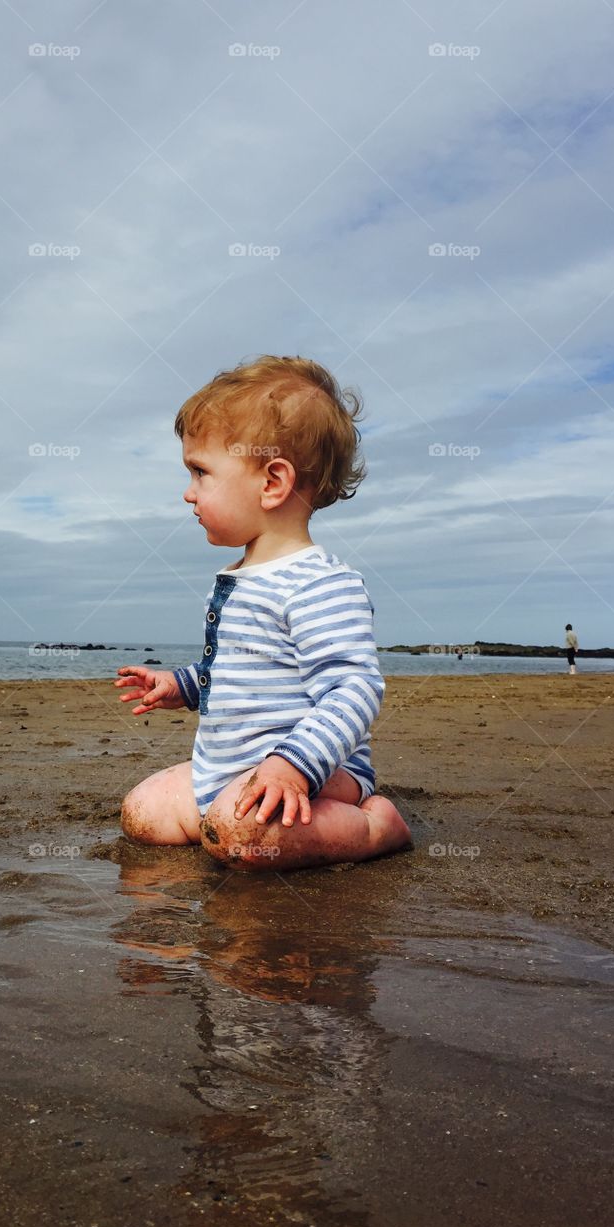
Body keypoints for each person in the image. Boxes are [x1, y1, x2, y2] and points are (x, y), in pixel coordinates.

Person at [113, 354, 412, 872]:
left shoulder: (319, 583)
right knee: (141, 814)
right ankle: (225, 806)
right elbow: (236, 670)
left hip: (312, 771)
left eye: (200, 472)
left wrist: (293, 767)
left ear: (272, 482)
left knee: (244, 839)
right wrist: (183, 685)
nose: (188, 493)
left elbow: (354, 689)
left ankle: (372, 827)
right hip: (227, 769)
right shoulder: (240, 576)